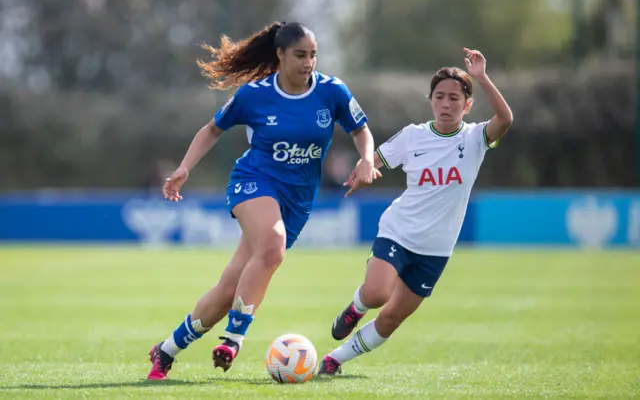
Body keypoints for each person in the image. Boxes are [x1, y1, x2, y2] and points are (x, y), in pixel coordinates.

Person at [147, 21, 380, 380]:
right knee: (273, 247)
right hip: (253, 182)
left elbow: (360, 129)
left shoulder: (332, 91)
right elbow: (212, 130)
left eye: (313, 55)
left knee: (228, 292)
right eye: (300, 55)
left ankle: (165, 351)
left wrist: (366, 158)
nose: (308, 63)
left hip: (298, 201)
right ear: (280, 55)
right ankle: (234, 339)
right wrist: (184, 168)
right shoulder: (254, 95)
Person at [318, 48, 514, 375]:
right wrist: (363, 171)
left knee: (393, 317)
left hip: (436, 250)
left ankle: (335, 359)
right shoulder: (413, 136)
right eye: (440, 96)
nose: (446, 104)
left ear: (467, 105)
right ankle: (355, 308)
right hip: (399, 230)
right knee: (378, 294)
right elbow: (373, 159)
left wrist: (481, 77)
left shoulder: (476, 138)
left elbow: (506, 119)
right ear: (431, 100)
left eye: (455, 98)